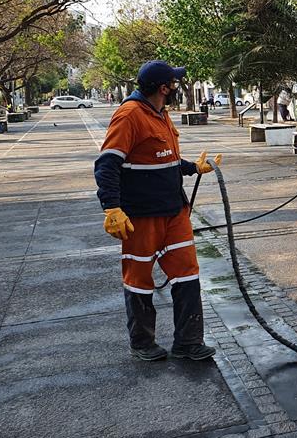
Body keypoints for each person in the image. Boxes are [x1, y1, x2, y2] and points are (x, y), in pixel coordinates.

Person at [93, 60, 222, 362]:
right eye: (175, 83)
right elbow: (107, 165)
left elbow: (163, 159)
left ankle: (188, 342)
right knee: (138, 279)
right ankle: (142, 341)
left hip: (174, 212)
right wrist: (111, 207)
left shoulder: (161, 114)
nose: (178, 87)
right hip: (140, 217)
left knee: (187, 275)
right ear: (164, 88)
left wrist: (193, 168)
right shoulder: (129, 116)